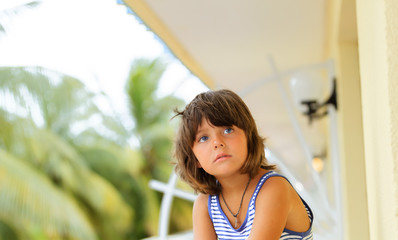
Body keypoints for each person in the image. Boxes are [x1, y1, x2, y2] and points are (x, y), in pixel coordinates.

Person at [173, 89, 313, 240]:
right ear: (195, 159)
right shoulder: (205, 204)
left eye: (227, 130)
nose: (217, 142)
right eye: (203, 138)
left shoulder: (274, 187)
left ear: (249, 137)